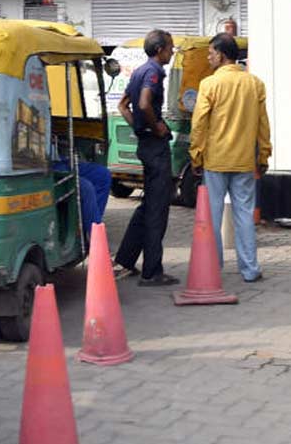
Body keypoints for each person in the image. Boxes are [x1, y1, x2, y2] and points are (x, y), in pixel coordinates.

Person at [189, 32, 271, 283]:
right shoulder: (255, 84)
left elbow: (199, 124)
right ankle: (250, 269)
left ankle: (213, 267)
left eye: (211, 53)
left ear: (222, 55)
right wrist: (264, 155)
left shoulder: (209, 85)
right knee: (244, 215)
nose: (209, 57)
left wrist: (196, 155)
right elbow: (262, 124)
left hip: (215, 160)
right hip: (244, 160)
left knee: (212, 216)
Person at [113, 29, 178, 286]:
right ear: (160, 49)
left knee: (146, 206)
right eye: (170, 47)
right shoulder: (153, 72)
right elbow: (142, 104)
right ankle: (152, 271)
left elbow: (122, 106)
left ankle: (126, 260)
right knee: (157, 210)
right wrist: (156, 126)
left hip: (145, 145)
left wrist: (138, 128)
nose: (172, 52)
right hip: (155, 147)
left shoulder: (138, 71)